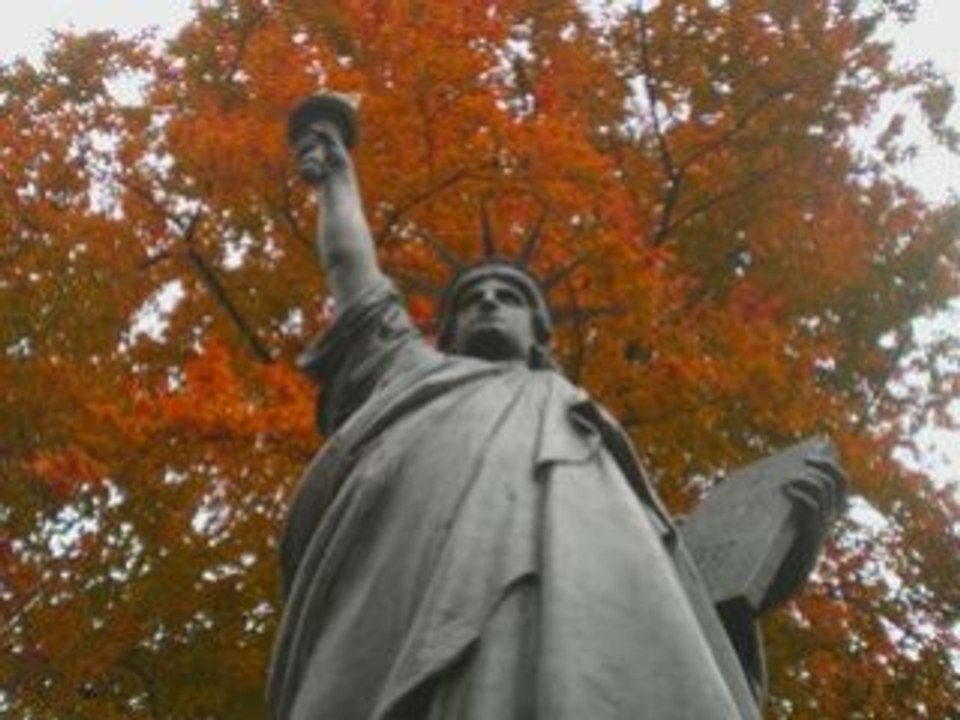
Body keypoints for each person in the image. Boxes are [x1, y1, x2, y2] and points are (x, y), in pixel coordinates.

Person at [267, 116, 843, 720]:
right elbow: (353, 273)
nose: (489, 301)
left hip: (586, 626)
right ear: (449, 330)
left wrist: (782, 547)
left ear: (540, 330)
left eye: (509, 297)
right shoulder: (413, 374)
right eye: (471, 300)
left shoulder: (587, 428)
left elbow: (676, 592)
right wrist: (336, 178)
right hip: (409, 588)